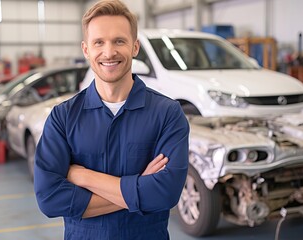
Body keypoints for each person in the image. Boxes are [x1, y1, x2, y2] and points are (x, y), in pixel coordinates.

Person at [34, 0, 190, 239]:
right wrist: (139, 187)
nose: (109, 53)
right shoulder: (63, 118)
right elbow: (49, 199)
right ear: (86, 50)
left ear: (135, 47)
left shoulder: (167, 113)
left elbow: (165, 194)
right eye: (99, 42)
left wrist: (83, 176)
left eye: (119, 41)